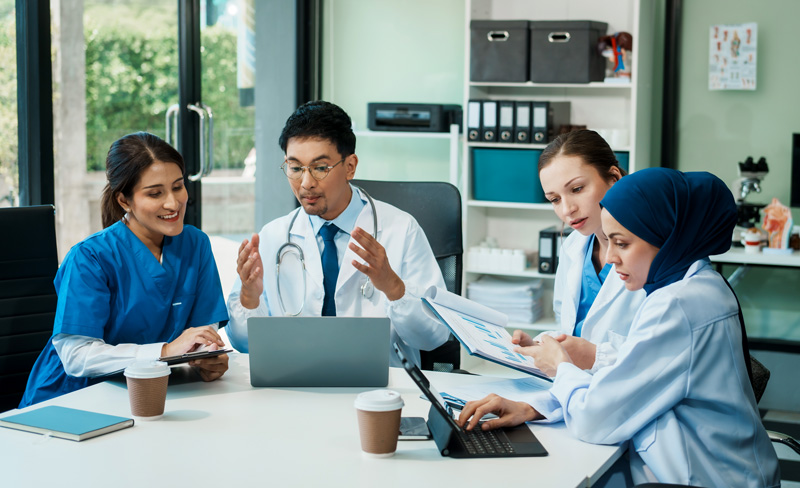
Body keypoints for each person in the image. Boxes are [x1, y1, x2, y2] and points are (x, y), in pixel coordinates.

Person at [458, 168, 781, 487]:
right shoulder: (698, 284)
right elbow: (633, 376)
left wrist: (561, 366)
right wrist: (536, 405)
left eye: (621, 243)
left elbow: (595, 419)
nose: (610, 257)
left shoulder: (678, 304)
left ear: (666, 237)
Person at [226, 101, 449, 366]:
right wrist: (250, 299)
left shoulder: (401, 230)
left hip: (380, 390)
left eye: (320, 168)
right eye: (295, 168)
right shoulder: (273, 237)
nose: (306, 183)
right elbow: (243, 344)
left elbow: (435, 336)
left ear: (350, 166)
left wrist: (393, 287)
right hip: (296, 385)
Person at [20, 132, 230, 408]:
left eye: (178, 187)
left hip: (149, 393)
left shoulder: (195, 244)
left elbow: (202, 329)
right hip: (71, 398)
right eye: (155, 193)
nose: (173, 203)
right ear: (124, 201)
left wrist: (205, 355)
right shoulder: (90, 257)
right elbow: (77, 355)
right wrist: (165, 352)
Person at [513, 130, 645, 374]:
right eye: (554, 199)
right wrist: (542, 348)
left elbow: (662, 354)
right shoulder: (573, 247)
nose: (567, 210)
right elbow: (569, 328)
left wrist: (594, 356)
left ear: (613, 177)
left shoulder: (651, 251)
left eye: (576, 189)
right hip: (576, 390)